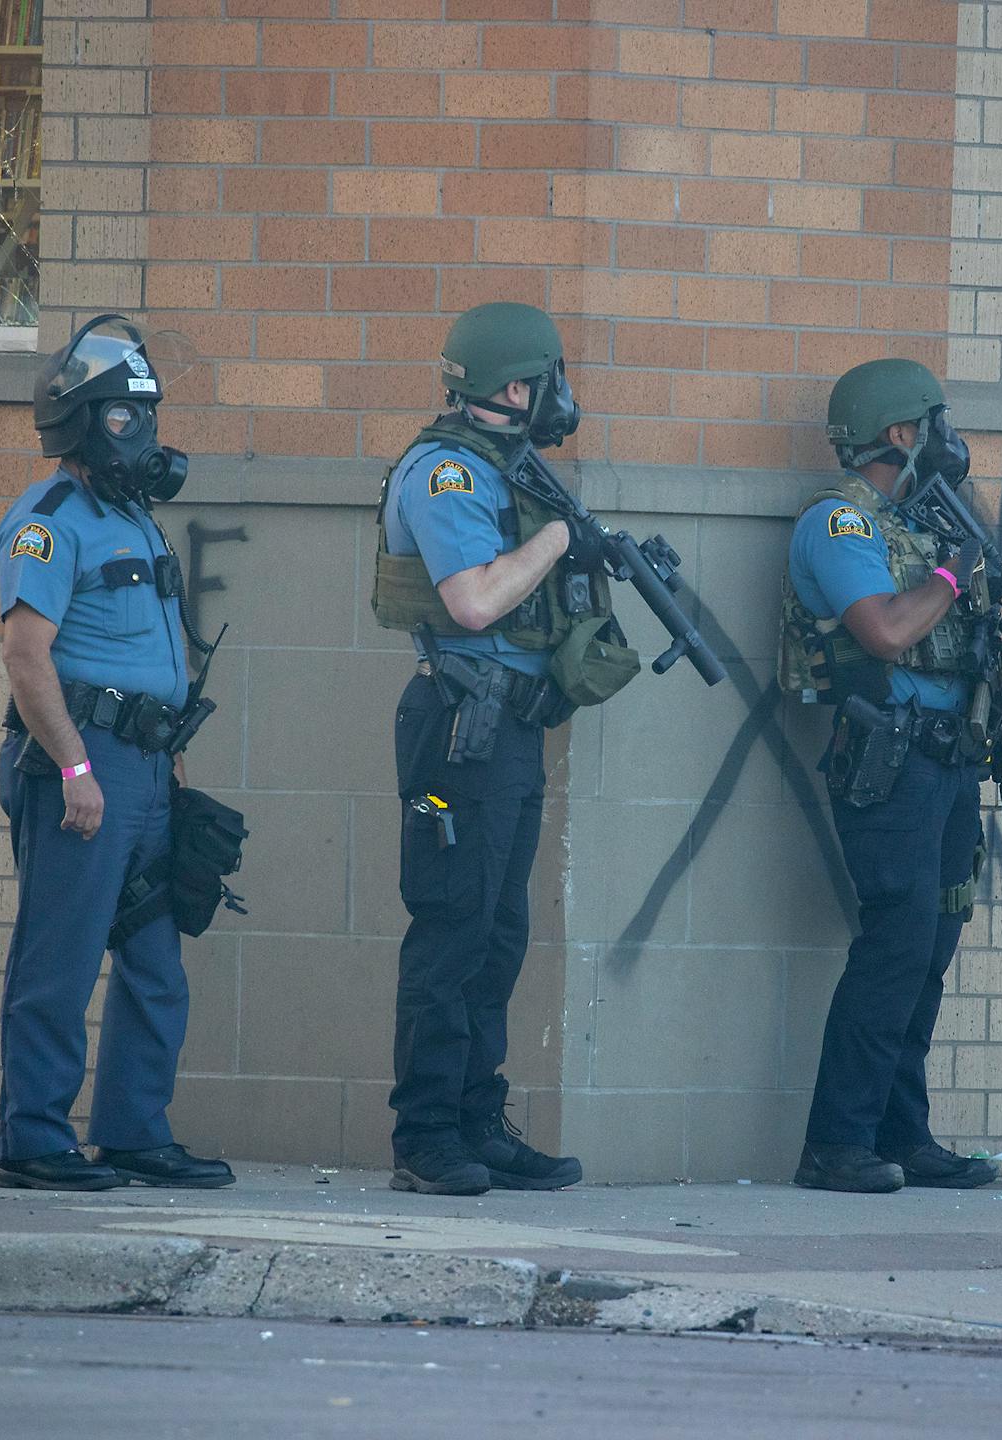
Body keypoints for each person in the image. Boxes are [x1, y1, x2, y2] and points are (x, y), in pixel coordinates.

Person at [780, 359, 1002, 1193]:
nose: (947, 437)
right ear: (898, 433)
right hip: (887, 766)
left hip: (953, 761)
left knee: (931, 952)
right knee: (896, 944)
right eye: (934, 420)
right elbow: (886, 632)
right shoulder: (841, 525)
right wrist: (956, 572)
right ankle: (835, 1143)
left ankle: (901, 1132)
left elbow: (959, 652)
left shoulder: (920, 527)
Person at [371, 301, 637, 1196]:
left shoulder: (507, 469)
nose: (554, 396)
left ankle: (479, 1123)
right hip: (458, 731)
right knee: (452, 930)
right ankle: (427, 1136)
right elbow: (474, 603)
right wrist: (559, 539)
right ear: (508, 383)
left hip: (508, 731)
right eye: (543, 379)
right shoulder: (446, 472)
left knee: (499, 936)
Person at [0, 315, 231, 1192]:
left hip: (146, 769)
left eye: (145, 415)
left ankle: (134, 1130)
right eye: (124, 417)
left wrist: (166, 764)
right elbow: (26, 655)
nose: (141, 433)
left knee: (155, 963)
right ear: (84, 421)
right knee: (59, 958)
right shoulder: (49, 521)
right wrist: (75, 768)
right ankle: (34, 1140)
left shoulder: (133, 518)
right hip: (77, 766)